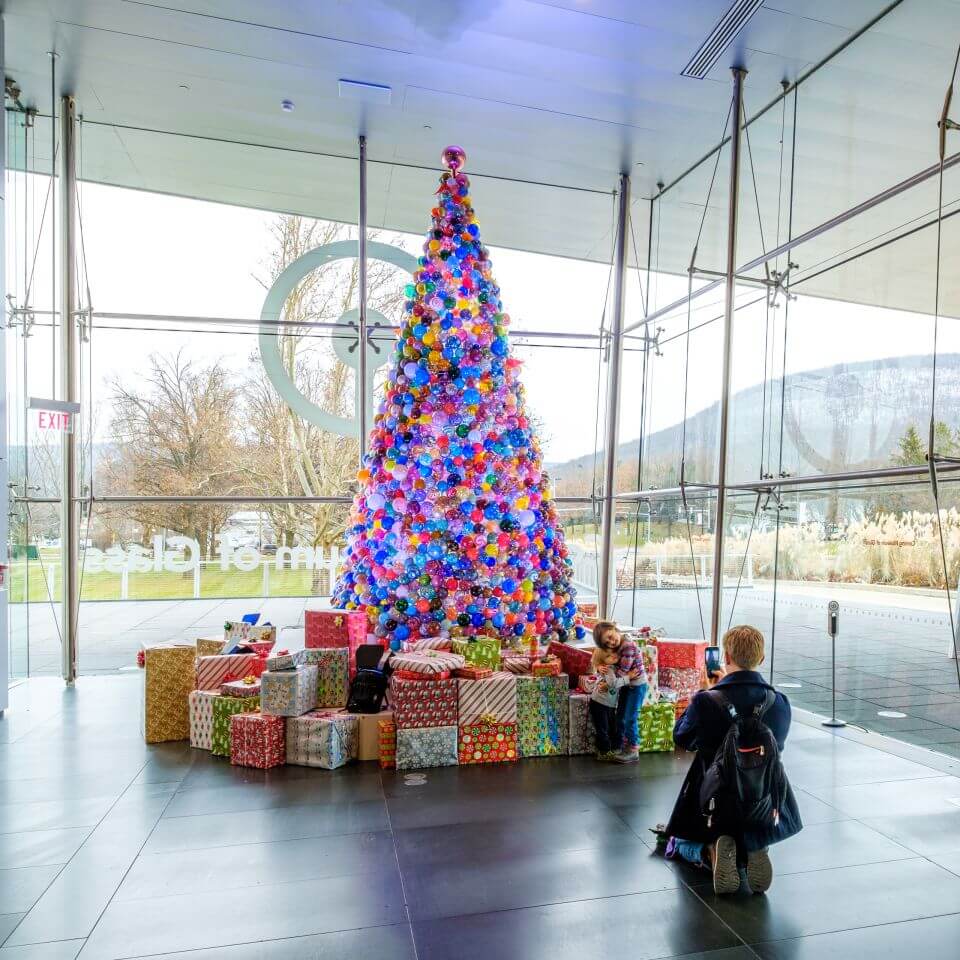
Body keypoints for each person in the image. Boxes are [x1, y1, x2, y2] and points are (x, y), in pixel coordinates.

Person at [662, 625, 801, 895]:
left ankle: (711, 851)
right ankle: (753, 844)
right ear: (761, 660)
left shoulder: (706, 701)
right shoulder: (779, 702)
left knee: (676, 842)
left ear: (725, 657)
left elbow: (681, 737)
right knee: (749, 801)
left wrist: (704, 694)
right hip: (764, 797)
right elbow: (778, 745)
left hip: (715, 798)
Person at [592, 621, 648, 763]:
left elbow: (623, 672)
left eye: (611, 637)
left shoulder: (628, 646)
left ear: (614, 628)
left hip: (636, 685)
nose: (611, 642)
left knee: (630, 717)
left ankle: (633, 749)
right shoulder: (616, 647)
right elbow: (599, 657)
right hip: (625, 685)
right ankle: (620, 746)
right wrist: (600, 666)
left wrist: (608, 683)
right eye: (607, 643)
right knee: (620, 716)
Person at [589, 645, 629, 760]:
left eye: (614, 653)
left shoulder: (615, 667)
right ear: (602, 659)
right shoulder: (609, 668)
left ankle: (608, 748)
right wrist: (628, 677)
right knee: (603, 728)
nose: (613, 656)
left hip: (607, 703)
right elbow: (613, 683)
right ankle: (604, 751)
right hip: (600, 703)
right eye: (608, 656)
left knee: (610, 726)